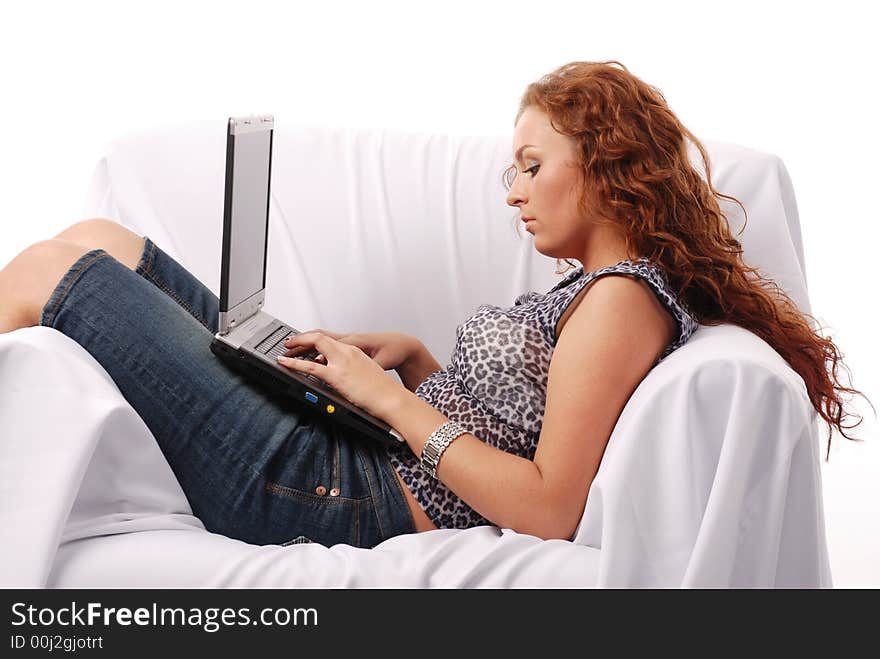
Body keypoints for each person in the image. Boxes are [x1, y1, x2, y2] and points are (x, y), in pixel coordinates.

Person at [0, 61, 868, 549]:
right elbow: (524, 417)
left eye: (533, 165)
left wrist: (389, 402)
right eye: (513, 170)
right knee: (97, 237)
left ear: (605, 164)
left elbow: (547, 504)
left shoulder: (620, 304)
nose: (514, 192)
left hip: (333, 489)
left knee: (51, 271)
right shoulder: (600, 292)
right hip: (358, 449)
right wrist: (414, 362)